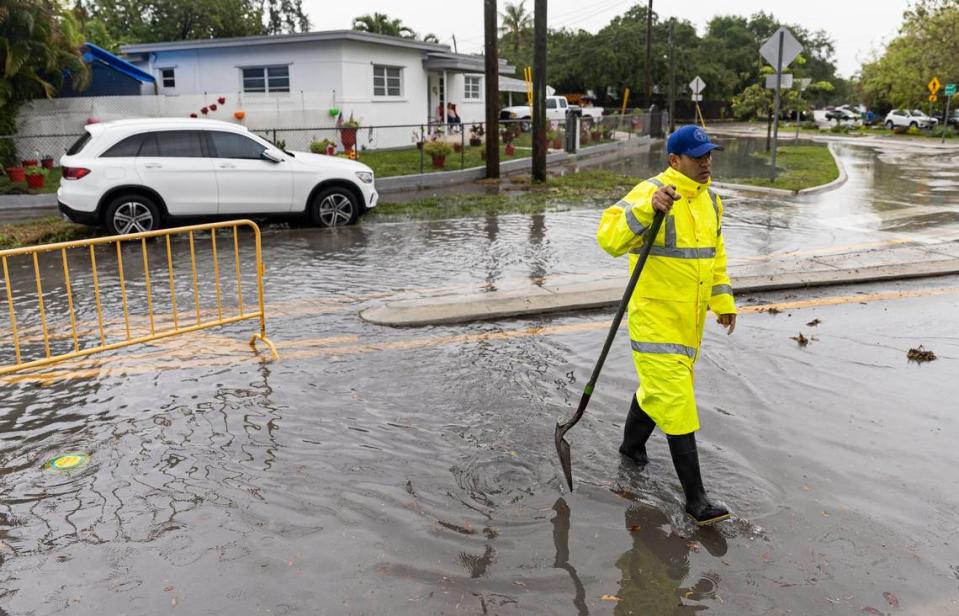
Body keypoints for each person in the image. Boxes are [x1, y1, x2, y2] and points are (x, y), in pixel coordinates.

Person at [595, 125, 737, 526]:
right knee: (676, 402)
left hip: (689, 323)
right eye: (698, 156)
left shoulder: (712, 202)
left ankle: (631, 448)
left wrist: (722, 301)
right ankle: (697, 502)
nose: (706, 162)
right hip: (654, 319)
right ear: (675, 160)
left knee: (658, 390)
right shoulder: (651, 191)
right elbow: (607, 237)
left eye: (709, 154)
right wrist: (646, 209)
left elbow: (715, 256)